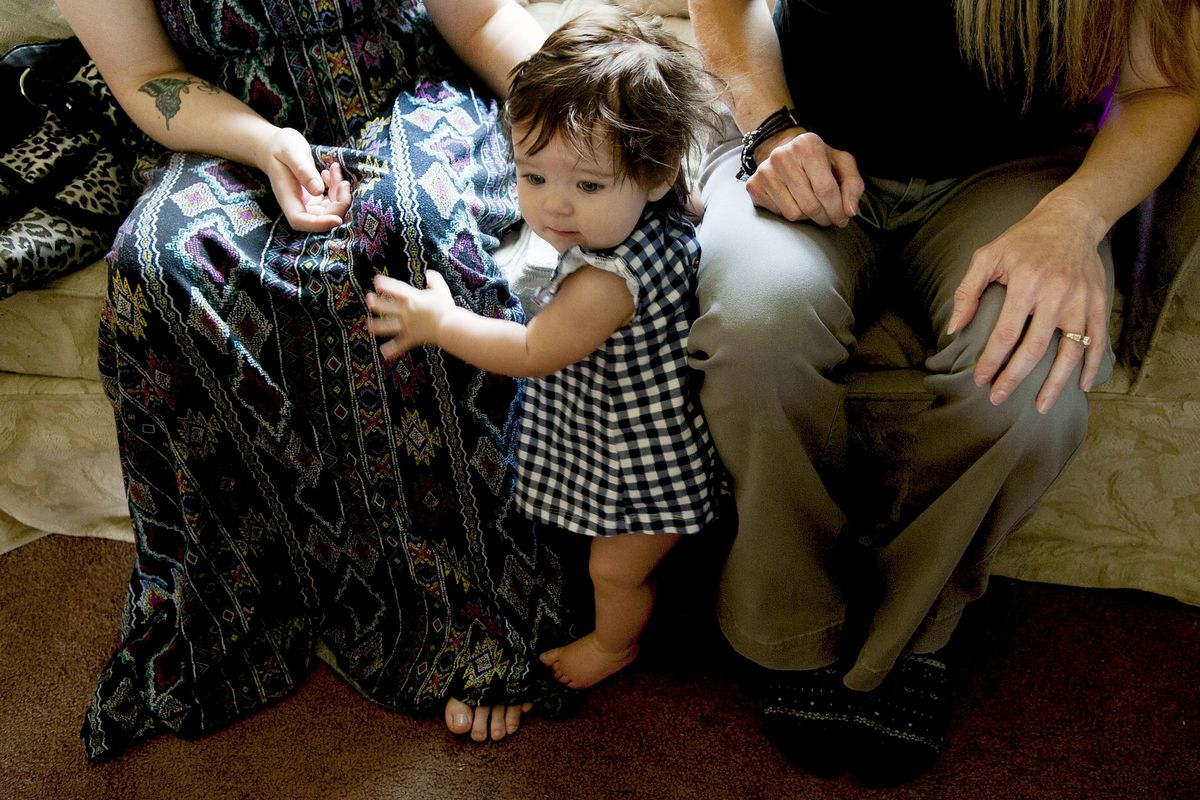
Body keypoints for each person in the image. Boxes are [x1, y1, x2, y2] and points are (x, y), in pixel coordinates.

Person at [687, 0, 1200, 784]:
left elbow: (1164, 88)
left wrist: (1074, 218)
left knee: (1034, 390)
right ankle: (788, 626)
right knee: (758, 330)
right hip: (809, 142)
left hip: (1013, 177)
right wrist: (772, 127)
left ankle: (908, 634)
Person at [57, 0, 579, 758]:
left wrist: (583, 118)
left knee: (408, 231)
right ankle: (273, 600)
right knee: (157, 262)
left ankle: (479, 617)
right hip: (231, 121)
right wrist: (269, 145)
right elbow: (146, 76)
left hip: (408, 95)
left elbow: (485, 16)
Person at [366, 6, 722, 690]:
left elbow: (531, 352)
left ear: (655, 171)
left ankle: (615, 644)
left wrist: (438, 324)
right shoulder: (656, 208)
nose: (556, 206)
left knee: (612, 570)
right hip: (617, 426)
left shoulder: (606, 284)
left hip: (639, 466)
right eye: (534, 177)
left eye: (586, 186)